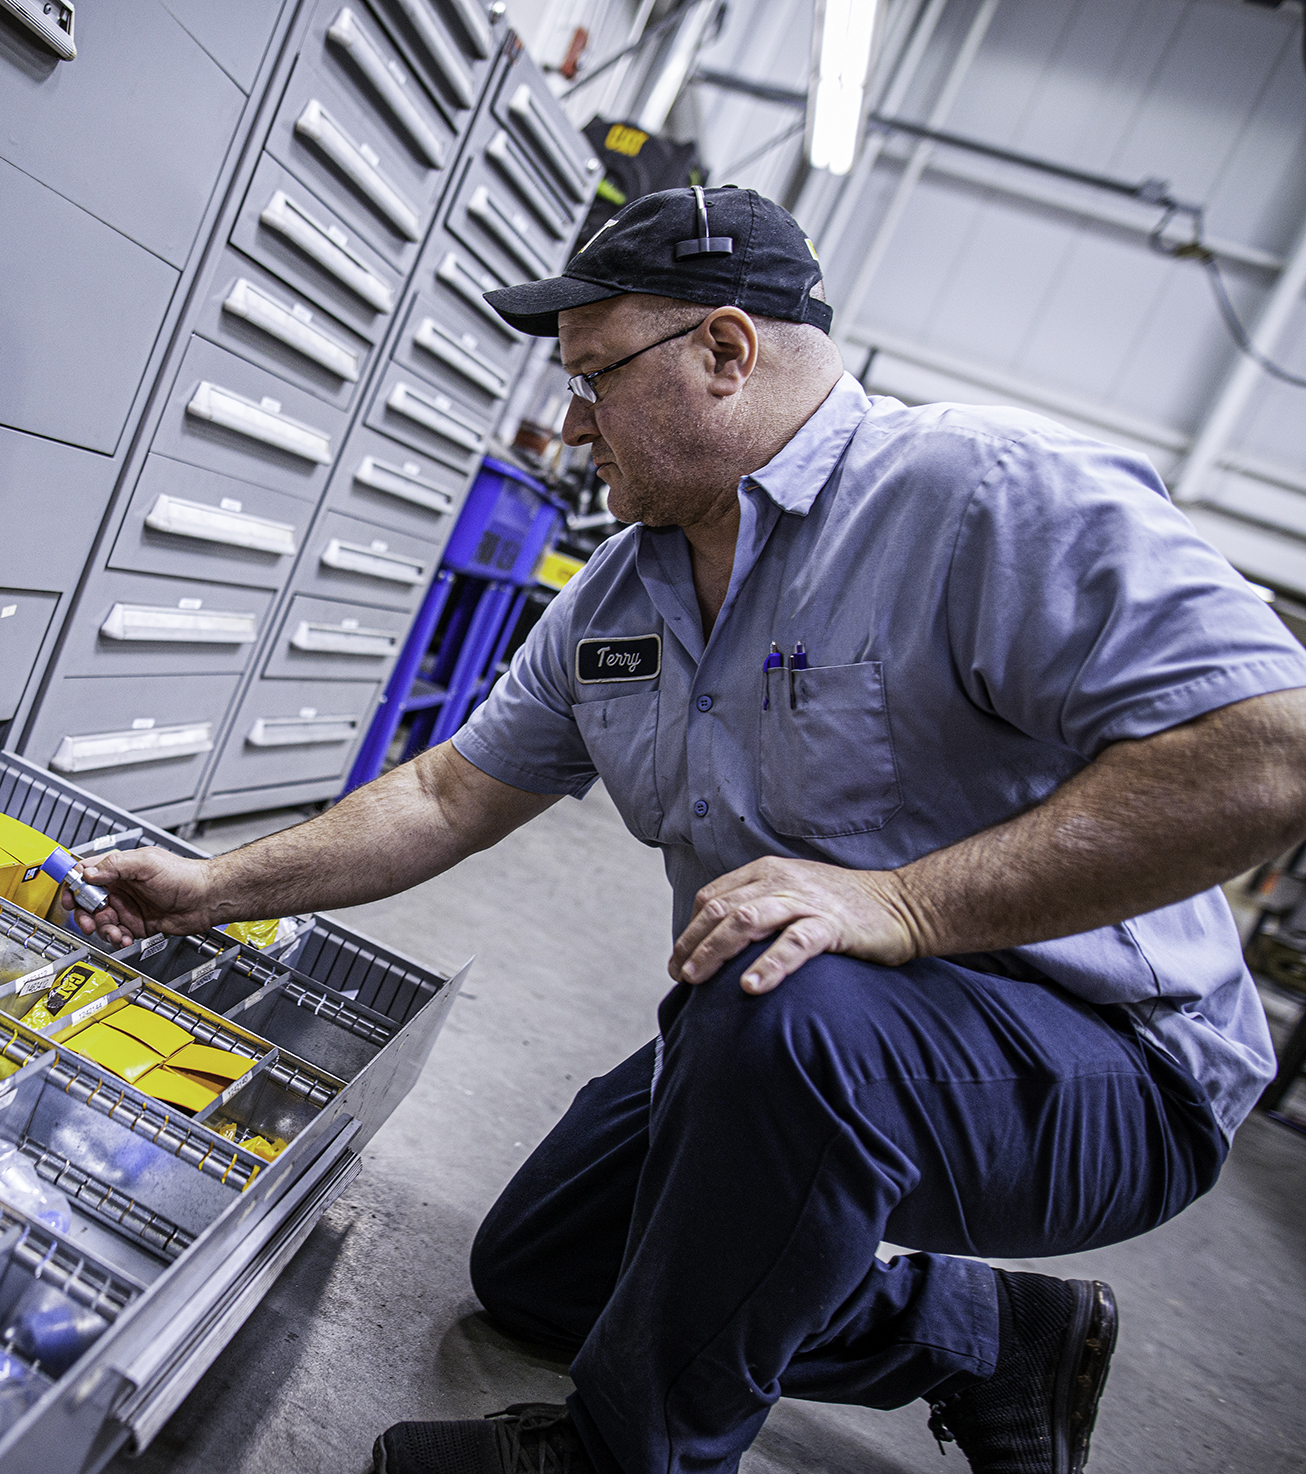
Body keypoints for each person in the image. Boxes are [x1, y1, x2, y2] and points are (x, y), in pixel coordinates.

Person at [64, 185, 1306, 1474]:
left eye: (597, 377)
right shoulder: (627, 587)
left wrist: (905, 906)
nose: (569, 420)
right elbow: (447, 794)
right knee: (544, 1269)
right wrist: (213, 887)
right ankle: (985, 1334)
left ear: (725, 351)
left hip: (1104, 1068)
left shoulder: (976, 493)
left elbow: (1269, 752)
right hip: (796, 1033)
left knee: (794, 1008)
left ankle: (627, 1457)